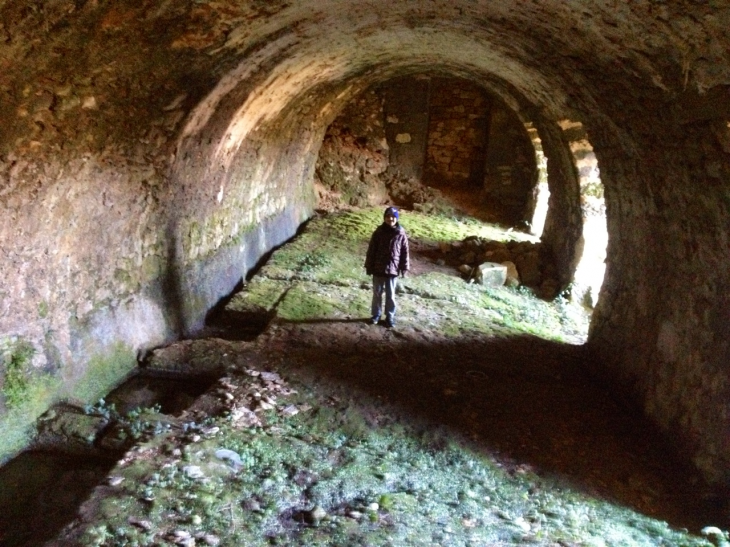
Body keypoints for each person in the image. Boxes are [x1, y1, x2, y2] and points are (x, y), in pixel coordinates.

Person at [364, 206, 410, 328]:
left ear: (397, 218)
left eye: (393, 217)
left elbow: (405, 252)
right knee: (377, 293)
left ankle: (390, 316)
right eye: (388, 216)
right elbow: (372, 250)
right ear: (384, 218)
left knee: (390, 295)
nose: (390, 219)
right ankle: (376, 315)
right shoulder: (378, 232)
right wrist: (369, 265)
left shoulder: (400, 233)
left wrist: (404, 267)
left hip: (392, 269)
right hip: (378, 268)